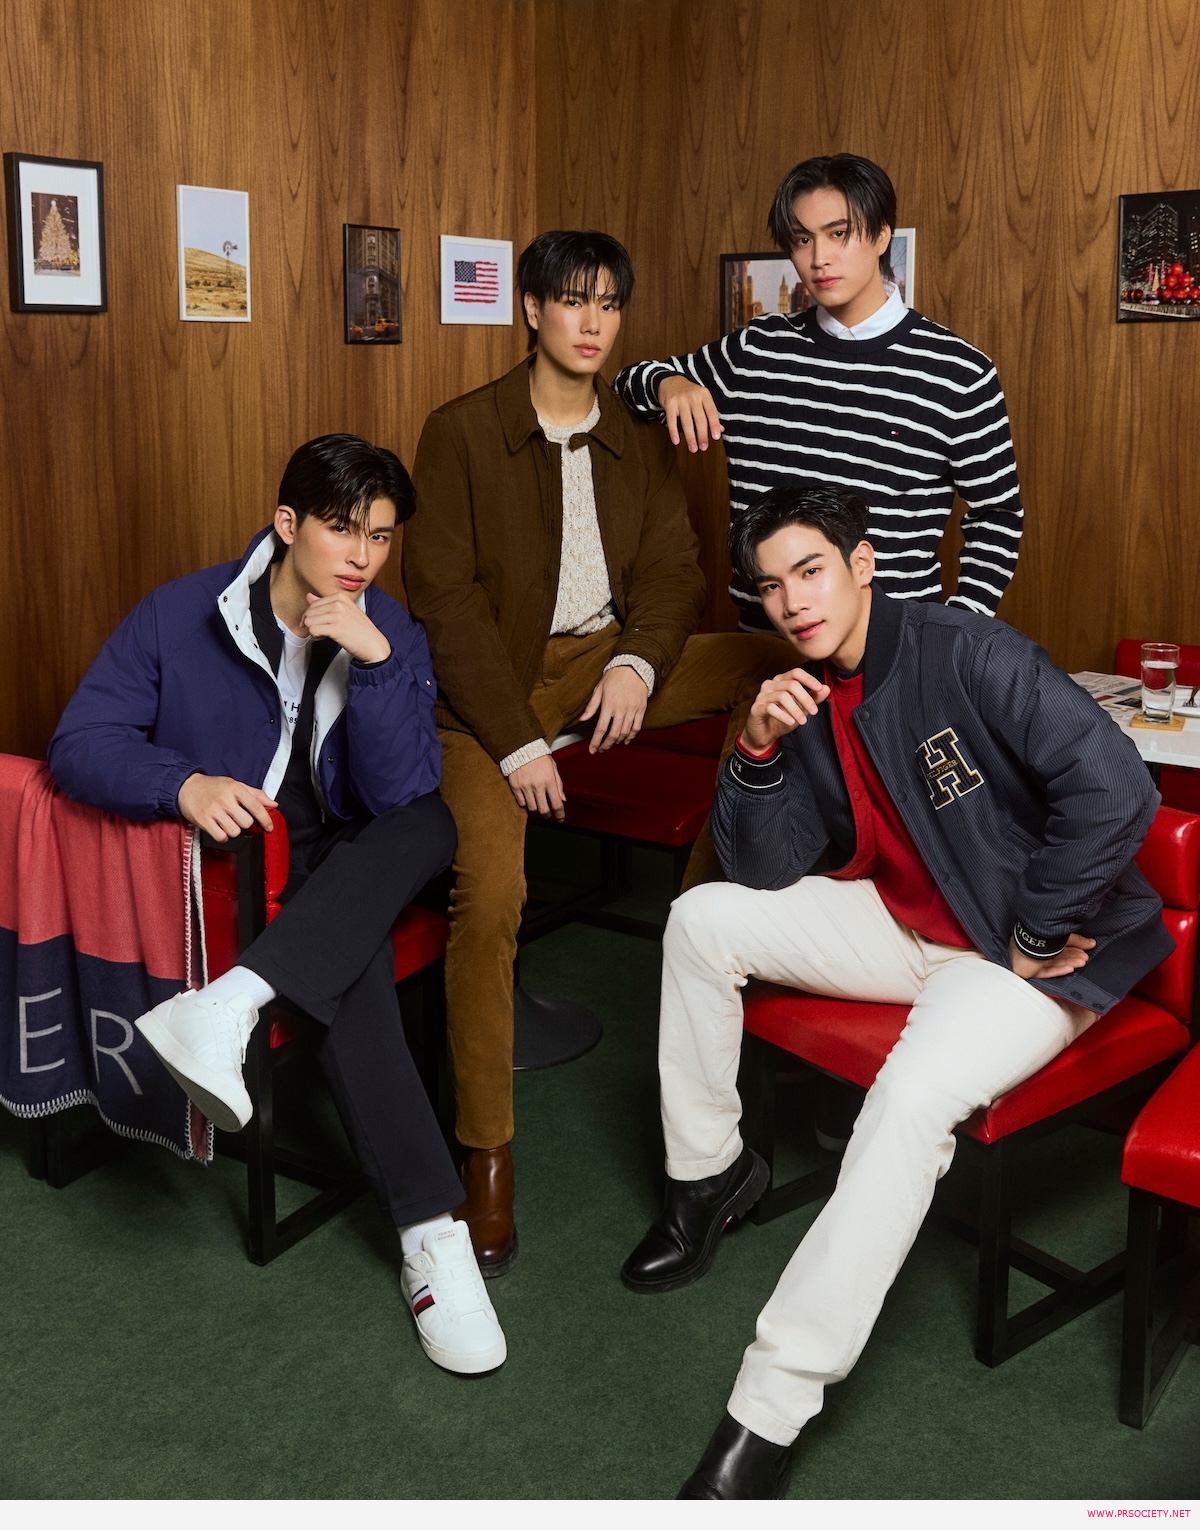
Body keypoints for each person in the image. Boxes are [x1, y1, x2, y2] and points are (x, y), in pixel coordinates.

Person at [620, 484, 1169, 1497]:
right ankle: (709, 1176)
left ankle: (770, 1406)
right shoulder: (803, 693)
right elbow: (762, 870)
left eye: (811, 571)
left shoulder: (967, 650)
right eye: (770, 586)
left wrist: (1036, 926)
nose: (793, 601)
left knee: (909, 1101)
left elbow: (1118, 786)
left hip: (1021, 955)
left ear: (863, 563)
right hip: (903, 926)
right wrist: (755, 751)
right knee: (700, 919)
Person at [48, 434, 507, 1377]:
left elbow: (401, 792)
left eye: (381, 536)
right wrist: (182, 785)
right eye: (342, 529)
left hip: (341, 851)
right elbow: (80, 742)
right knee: (353, 949)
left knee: (429, 824)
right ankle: (431, 1234)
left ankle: (229, 1003)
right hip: (242, 865)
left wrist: (376, 662)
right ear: (288, 524)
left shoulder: (388, 627)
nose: (362, 556)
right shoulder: (181, 613)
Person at [405, 230, 786, 1276]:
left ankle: (700, 920)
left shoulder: (633, 432)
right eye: (573, 301)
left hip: (604, 665)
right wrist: (519, 740)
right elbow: (444, 605)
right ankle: (485, 1157)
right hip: (491, 693)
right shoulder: (461, 432)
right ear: (530, 309)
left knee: (771, 659)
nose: (592, 323)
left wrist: (638, 665)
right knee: (490, 899)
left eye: (609, 305)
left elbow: (673, 572)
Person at [614, 152, 1024, 629]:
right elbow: (626, 388)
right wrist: (668, 382)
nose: (818, 259)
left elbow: (998, 514)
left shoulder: (958, 371)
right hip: (763, 642)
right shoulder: (756, 349)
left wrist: (960, 628)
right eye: (802, 239)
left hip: (895, 644)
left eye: (838, 234)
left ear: (882, 235)